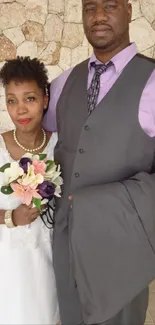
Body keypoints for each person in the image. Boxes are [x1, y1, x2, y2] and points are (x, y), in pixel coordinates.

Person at [43, 0, 155, 324]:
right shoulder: (64, 84)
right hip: (66, 247)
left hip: (121, 248)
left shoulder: (151, 83)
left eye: (110, 5)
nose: (99, 16)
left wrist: (109, 203)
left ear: (130, 10)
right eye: (90, 7)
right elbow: (40, 139)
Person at [0, 57, 60, 325]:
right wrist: (11, 218)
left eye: (30, 99)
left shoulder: (61, 146)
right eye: (12, 101)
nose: (21, 110)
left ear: (45, 99)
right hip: (7, 265)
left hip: (49, 263)